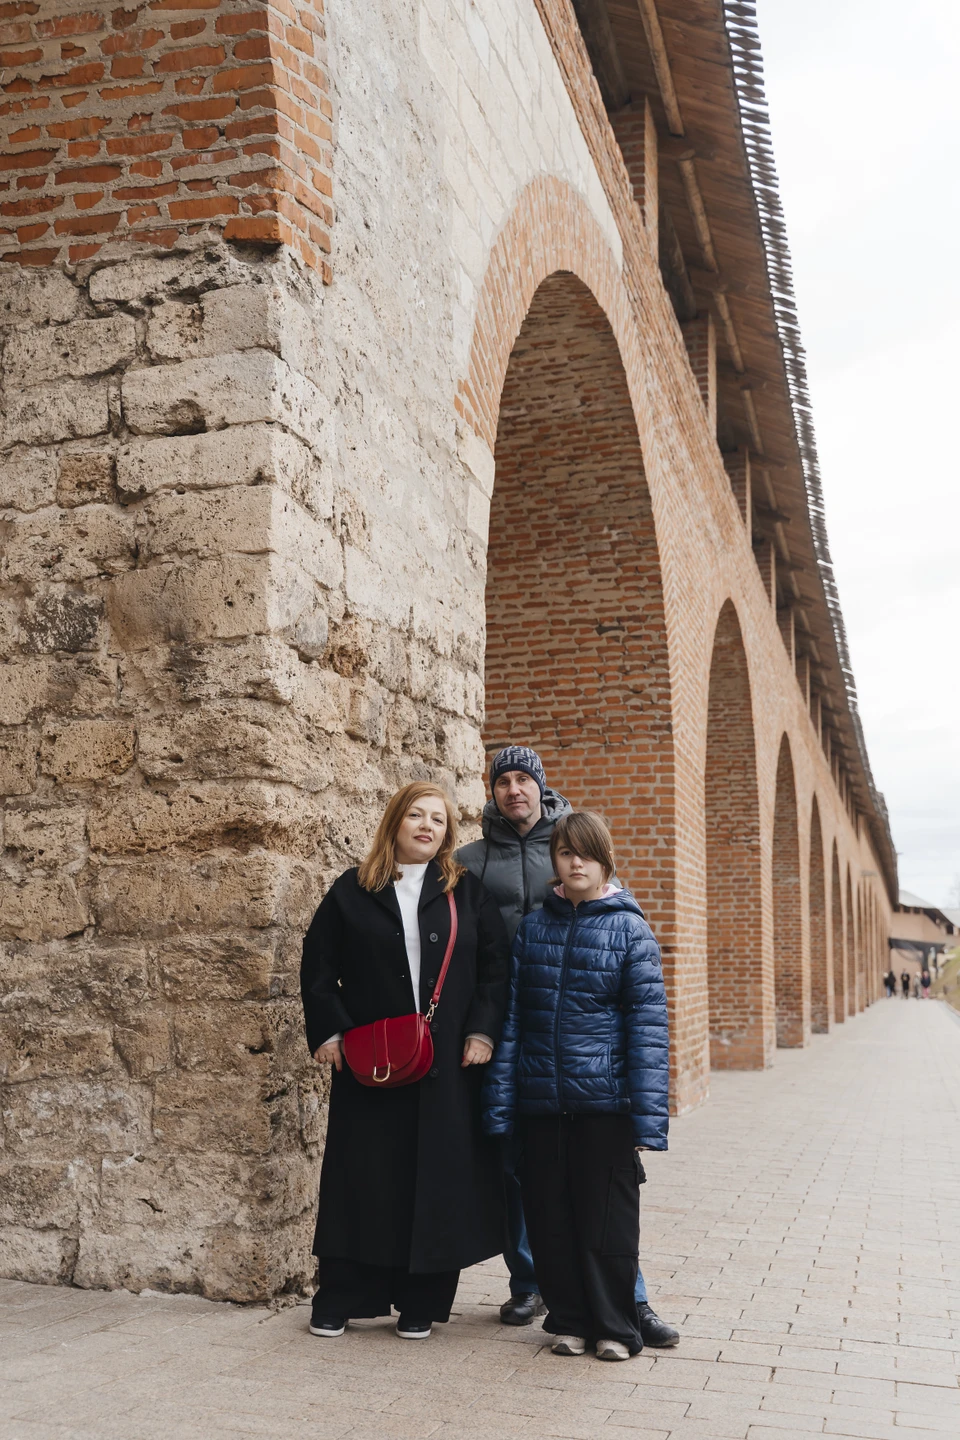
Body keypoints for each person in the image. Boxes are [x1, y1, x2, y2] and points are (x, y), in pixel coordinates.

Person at [458, 746, 679, 1348]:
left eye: (523, 779)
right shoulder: (500, 891)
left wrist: (646, 1116)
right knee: (545, 1208)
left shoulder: (627, 926)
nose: (514, 789)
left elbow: (647, 1029)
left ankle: (623, 1315)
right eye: (503, 780)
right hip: (536, 1083)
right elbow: (509, 1015)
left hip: (600, 1092)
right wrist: (500, 1094)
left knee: (605, 1212)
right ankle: (561, 1311)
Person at [301, 782, 509, 1340]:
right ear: (395, 822)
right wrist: (330, 1032)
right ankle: (342, 1297)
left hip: (447, 1064)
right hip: (371, 1061)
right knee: (361, 1178)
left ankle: (422, 1302)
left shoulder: (467, 892)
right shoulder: (351, 890)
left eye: (438, 819)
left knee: (437, 1179)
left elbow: (496, 970)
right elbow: (318, 966)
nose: (426, 826)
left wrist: (483, 1032)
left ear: (447, 833)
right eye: (416, 815)